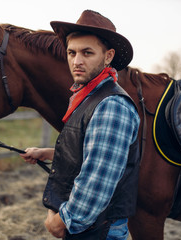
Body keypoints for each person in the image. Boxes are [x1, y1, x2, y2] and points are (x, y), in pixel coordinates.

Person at [20, 10, 140, 240]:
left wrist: (64, 219)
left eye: (87, 53)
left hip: (100, 231)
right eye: (71, 52)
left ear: (108, 56)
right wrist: (46, 153)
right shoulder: (88, 97)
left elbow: (99, 179)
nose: (77, 61)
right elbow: (92, 154)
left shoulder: (111, 105)